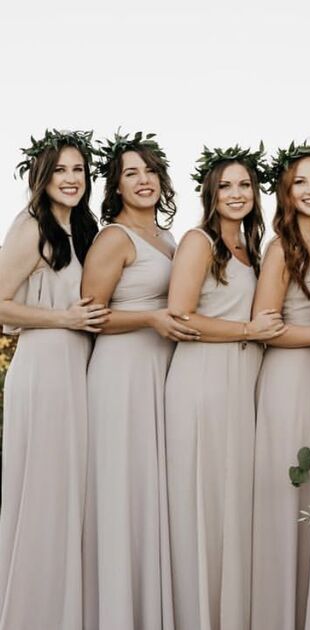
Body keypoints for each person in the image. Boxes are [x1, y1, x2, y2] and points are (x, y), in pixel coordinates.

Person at [164, 144, 282, 630]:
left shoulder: (251, 249)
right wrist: (247, 330)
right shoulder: (199, 242)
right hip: (202, 381)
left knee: (231, 505)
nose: (237, 194)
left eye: (245, 185)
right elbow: (179, 316)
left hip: (240, 382)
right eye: (226, 186)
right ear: (210, 194)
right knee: (203, 502)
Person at [81, 131, 190, 630]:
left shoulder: (168, 238)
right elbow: (91, 315)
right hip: (121, 374)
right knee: (125, 489)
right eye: (131, 173)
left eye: (149, 171)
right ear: (116, 186)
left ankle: (152, 608)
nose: (143, 180)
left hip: (161, 371)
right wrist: (148, 318)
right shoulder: (113, 238)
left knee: (154, 493)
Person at [0, 129, 103, 630]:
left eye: (78, 169)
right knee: (45, 487)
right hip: (43, 368)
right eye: (60, 170)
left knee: (73, 490)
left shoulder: (84, 230)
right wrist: (64, 318)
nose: (71, 178)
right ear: (41, 177)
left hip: (78, 368)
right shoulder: (30, 227)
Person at [250, 143, 310, 630]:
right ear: (285, 192)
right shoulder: (280, 247)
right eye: (300, 182)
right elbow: (266, 328)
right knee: (295, 494)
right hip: (289, 377)